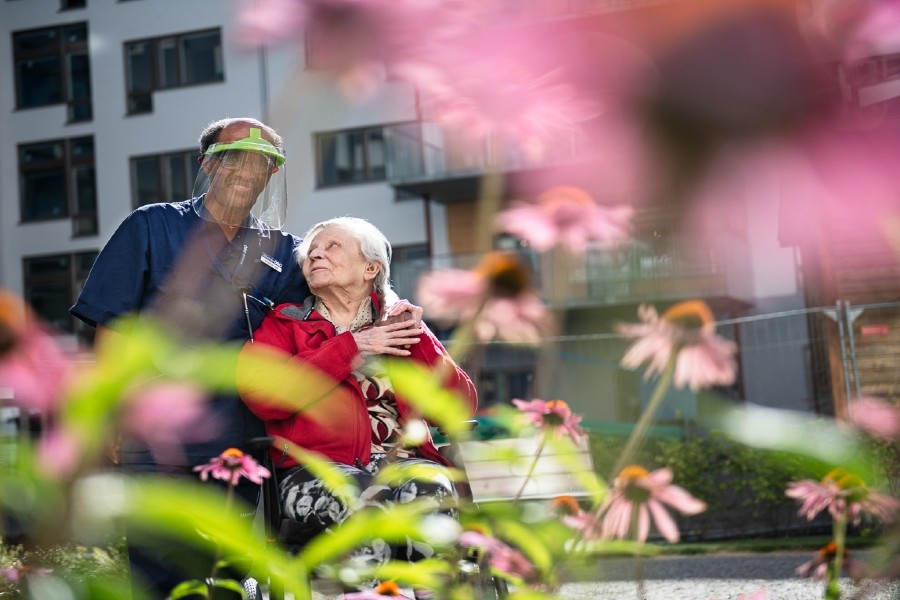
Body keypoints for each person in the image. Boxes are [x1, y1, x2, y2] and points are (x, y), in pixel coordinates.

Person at [70, 117, 310, 597]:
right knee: (158, 570)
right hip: (158, 436)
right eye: (232, 158)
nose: (246, 171)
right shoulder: (151, 226)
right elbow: (113, 324)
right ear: (207, 164)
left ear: (271, 176)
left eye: (261, 164)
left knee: (230, 575)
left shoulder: (284, 251)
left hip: (242, 443)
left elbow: (326, 317)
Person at [237, 217, 477, 589]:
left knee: (431, 490)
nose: (315, 253)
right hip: (315, 472)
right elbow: (266, 396)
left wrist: (420, 342)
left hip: (404, 463)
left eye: (332, 246)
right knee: (363, 499)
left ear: (371, 267)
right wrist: (351, 347)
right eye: (311, 251)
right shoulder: (285, 324)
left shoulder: (401, 324)